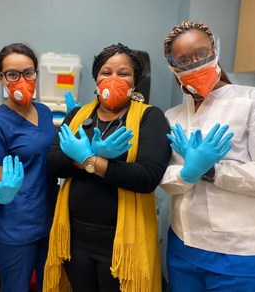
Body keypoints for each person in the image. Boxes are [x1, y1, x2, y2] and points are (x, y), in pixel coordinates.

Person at [43, 43, 171, 292]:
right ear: (96, 77)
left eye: (123, 73)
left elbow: (146, 178)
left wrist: (90, 160)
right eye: (106, 72)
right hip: (75, 239)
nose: (113, 79)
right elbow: (53, 163)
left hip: (122, 243)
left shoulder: (150, 117)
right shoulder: (78, 115)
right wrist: (91, 159)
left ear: (135, 81)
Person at [160, 20, 255, 292]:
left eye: (201, 53)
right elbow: (165, 178)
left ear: (215, 51)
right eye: (184, 59)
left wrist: (213, 172)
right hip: (183, 248)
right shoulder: (172, 116)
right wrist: (188, 173)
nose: (195, 63)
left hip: (243, 253)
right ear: (173, 68)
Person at [0, 43, 57, 292]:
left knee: (50, 285)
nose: (21, 80)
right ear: (2, 78)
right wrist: (1, 194)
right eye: (12, 74)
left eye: (28, 72)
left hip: (49, 218)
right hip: (14, 226)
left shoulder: (44, 112)